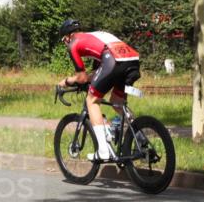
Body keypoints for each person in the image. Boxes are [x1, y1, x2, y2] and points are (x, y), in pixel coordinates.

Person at [56, 19, 141, 161]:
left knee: (92, 101)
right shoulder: (95, 37)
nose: (65, 43)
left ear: (69, 36)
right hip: (132, 60)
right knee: (116, 102)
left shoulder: (73, 44)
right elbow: (97, 73)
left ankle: (103, 151)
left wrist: (66, 81)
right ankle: (140, 138)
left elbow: (82, 78)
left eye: (64, 39)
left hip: (113, 60)